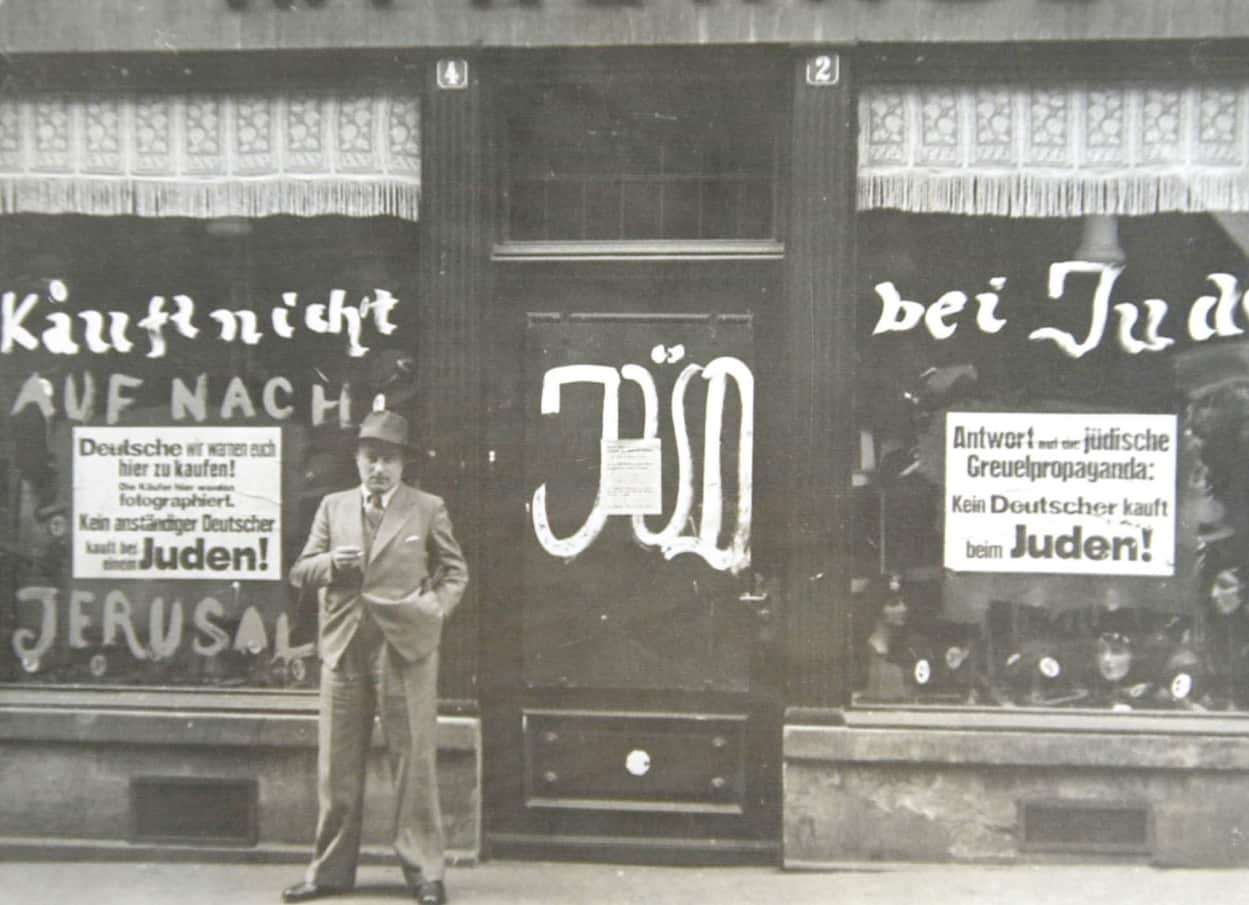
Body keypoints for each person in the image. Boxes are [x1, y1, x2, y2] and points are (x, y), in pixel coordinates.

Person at [282, 410, 468, 905]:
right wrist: (329, 566)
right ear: (357, 459)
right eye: (371, 458)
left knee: (414, 764)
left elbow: (455, 572)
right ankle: (328, 872)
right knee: (336, 766)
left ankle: (426, 872)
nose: (379, 468)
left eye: (389, 459)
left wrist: (432, 612)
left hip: (405, 648)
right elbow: (301, 570)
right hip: (344, 648)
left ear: (404, 464)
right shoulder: (332, 507)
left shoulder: (428, 508)